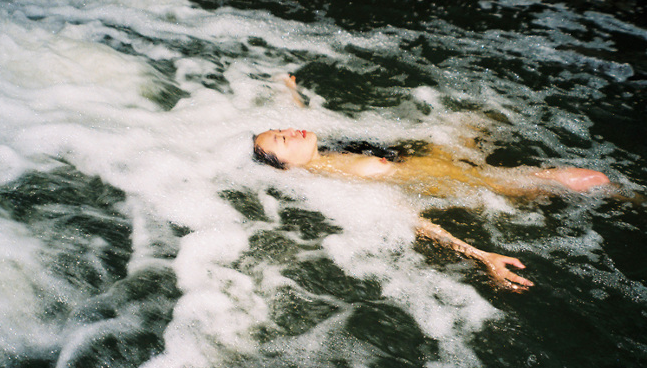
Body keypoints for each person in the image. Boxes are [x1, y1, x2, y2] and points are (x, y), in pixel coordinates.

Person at [252, 77, 611, 291]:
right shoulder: (334, 183)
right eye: (282, 139)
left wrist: (287, 88)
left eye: (281, 129)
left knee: (487, 113)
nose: (290, 131)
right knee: (588, 181)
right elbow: (407, 218)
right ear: (286, 168)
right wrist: (483, 257)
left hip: (437, 152)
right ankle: (631, 197)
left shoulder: (320, 150)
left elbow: (301, 116)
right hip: (459, 181)